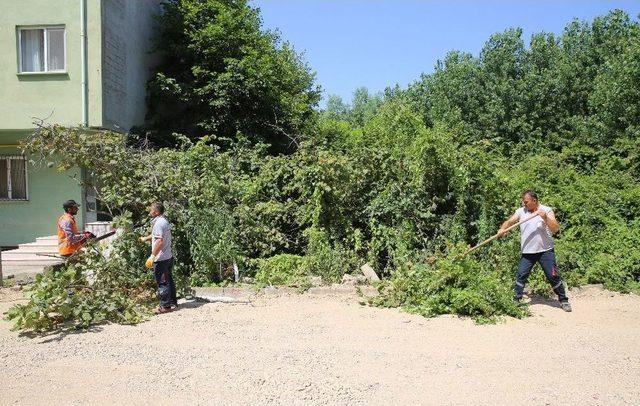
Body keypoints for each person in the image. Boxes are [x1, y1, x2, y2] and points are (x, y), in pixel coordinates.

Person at [497, 189, 572, 312]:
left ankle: (563, 300)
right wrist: (503, 228)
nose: (524, 204)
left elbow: (555, 229)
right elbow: (509, 221)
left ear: (534, 200)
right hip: (527, 252)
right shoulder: (521, 211)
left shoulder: (546, 210)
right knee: (521, 275)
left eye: (526, 202)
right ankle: (516, 300)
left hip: (545, 251)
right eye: (523, 201)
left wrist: (545, 218)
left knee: (553, 276)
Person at [140, 202, 177, 314]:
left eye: (151, 210)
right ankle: (172, 302)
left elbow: (160, 241)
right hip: (167, 256)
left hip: (161, 258)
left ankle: (165, 307)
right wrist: (146, 238)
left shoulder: (159, 224)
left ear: (155, 212)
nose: (149, 211)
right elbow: (157, 235)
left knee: (162, 281)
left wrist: (152, 256)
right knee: (168, 279)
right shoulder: (163, 221)